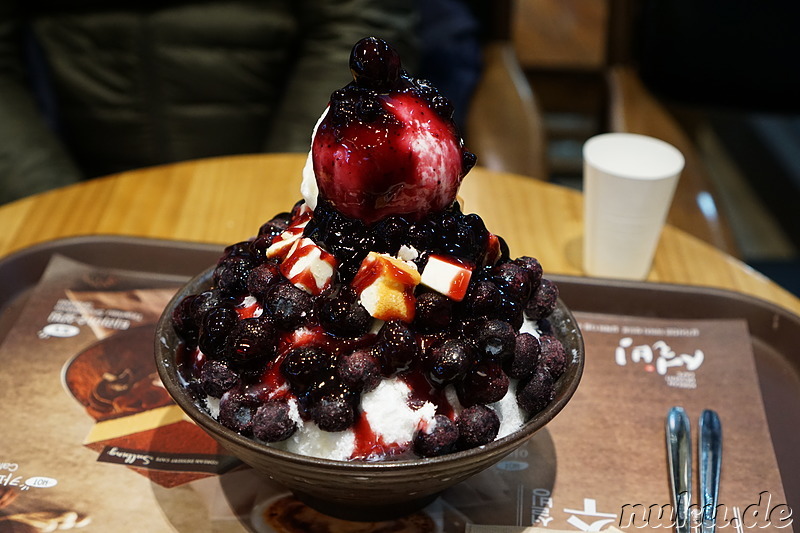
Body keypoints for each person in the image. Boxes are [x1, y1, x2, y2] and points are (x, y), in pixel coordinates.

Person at [0, 1, 417, 205]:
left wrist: (302, 177)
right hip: (88, 171)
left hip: (278, 152)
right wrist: (49, 198)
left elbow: (357, 18)